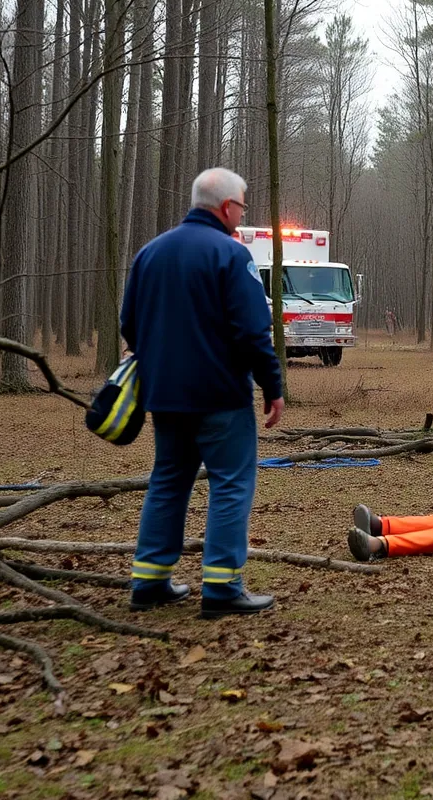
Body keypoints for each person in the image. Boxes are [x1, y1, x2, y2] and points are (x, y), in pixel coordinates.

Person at [120, 167, 284, 619]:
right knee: (231, 484)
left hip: (165, 397)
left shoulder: (150, 253)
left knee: (168, 482)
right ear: (227, 207)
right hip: (220, 397)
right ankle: (222, 587)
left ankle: (149, 581)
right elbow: (253, 332)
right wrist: (273, 385)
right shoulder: (232, 255)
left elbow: (128, 326)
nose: (242, 214)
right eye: (243, 206)